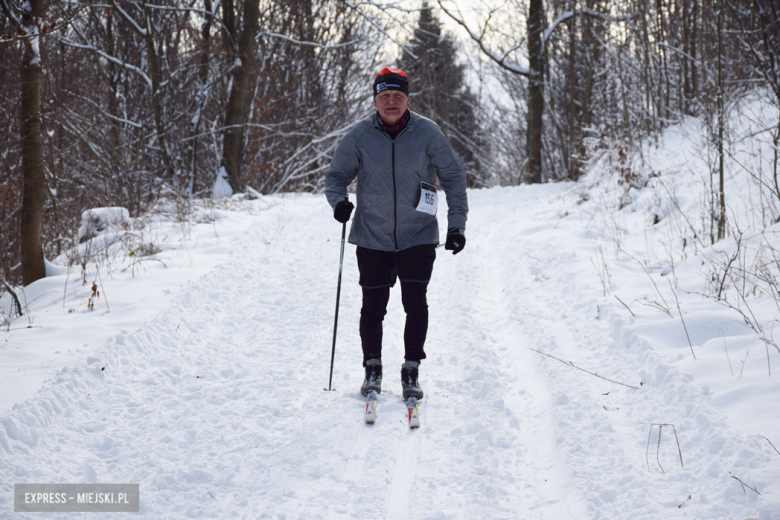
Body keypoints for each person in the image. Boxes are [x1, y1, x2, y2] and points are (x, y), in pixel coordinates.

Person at [325, 67, 468, 401]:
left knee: (415, 303)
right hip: (372, 235)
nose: (391, 102)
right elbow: (336, 177)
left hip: (418, 234)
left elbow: (454, 178)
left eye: (398, 96)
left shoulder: (428, 133)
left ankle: (411, 369)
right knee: (373, 306)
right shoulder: (359, 135)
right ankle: (372, 368)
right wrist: (339, 204)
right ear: (375, 100)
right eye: (385, 96)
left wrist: (457, 225)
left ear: (407, 99)